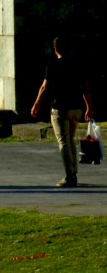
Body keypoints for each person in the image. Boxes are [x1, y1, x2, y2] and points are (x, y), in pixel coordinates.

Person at [30, 38, 96, 187]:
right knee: (71, 140)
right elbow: (86, 88)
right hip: (76, 108)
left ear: (55, 49)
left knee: (64, 142)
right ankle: (74, 172)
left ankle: (69, 176)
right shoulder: (77, 65)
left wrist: (36, 104)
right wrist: (89, 108)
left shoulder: (53, 65)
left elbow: (44, 88)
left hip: (59, 108)